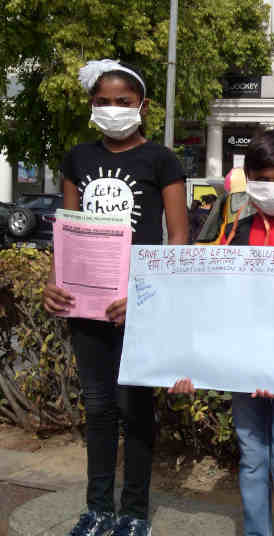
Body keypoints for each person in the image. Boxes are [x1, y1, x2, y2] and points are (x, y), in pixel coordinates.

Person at [42, 59, 189, 536]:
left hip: (138, 306)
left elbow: (178, 240)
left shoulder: (161, 160)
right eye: (102, 102)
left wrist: (149, 297)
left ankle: (134, 513)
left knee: (135, 410)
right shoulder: (77, 158)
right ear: (91, 106)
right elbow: (66, 232)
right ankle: (98, 508)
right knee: (99, 408)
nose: (112, 109)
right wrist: (54, 284)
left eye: (123, 102)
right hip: (86, 307)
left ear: (142, 107)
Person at [170, 129, 274, 536]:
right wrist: (187, 360)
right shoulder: (232, 233)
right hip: (241, 372)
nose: (272, 188)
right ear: (247, 177)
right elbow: (214, 305)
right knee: (253, 458)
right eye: (263, 179)